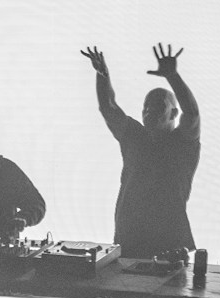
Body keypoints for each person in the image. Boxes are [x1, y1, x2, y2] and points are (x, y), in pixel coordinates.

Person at [82, 44, 201, 259]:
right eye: (145, 107)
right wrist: (103, 75)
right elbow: (108, 107)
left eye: (157, 107)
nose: (148, 112)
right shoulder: (134, 136)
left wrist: (173, 76)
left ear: (174, 112)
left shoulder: (183, 142)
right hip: (130, 236)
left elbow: (192, 113)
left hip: (169, 240)